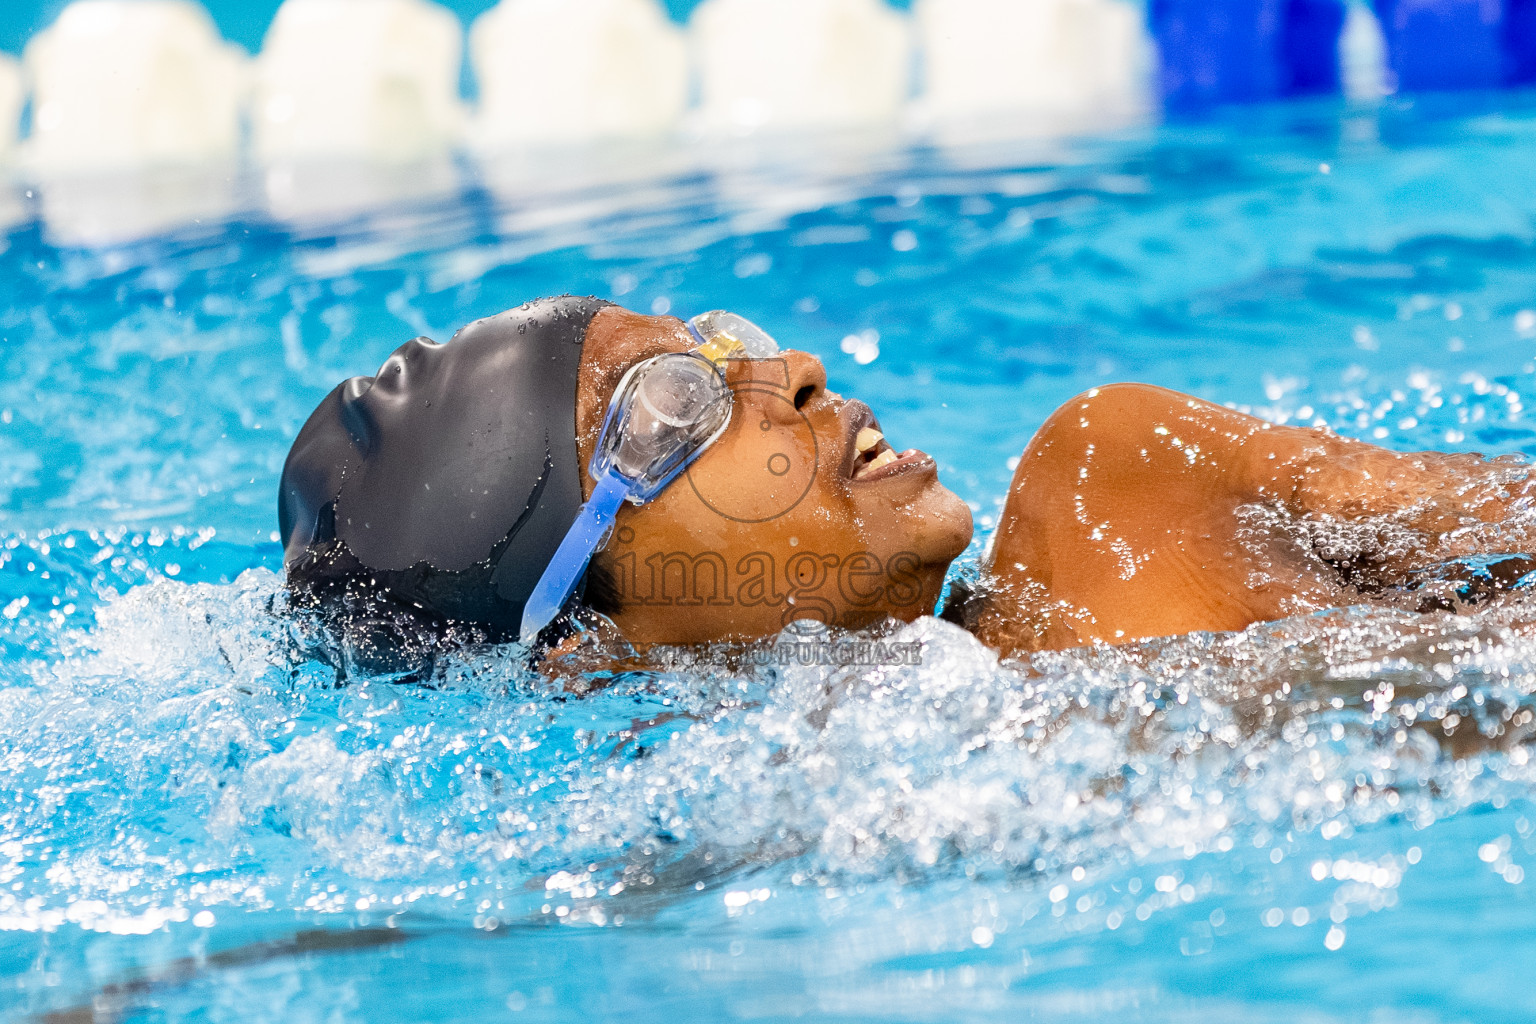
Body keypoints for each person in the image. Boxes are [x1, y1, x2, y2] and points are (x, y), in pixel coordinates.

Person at [278, 295, 1536, 672]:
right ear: (592, 651)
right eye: (671, 404)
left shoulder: (1123, 480)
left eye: (722, 343)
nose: (795, 374)